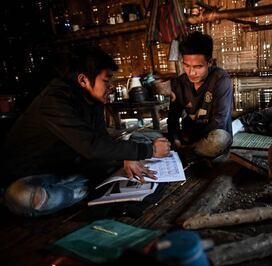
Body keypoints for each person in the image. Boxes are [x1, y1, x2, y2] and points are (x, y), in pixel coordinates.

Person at [0, 46, 171, 217]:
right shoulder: (54, 101)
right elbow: (92, 146)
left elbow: (101, 139)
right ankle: (84, 190)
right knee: (19, 196)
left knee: (142, 139)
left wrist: (126, 156)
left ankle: (84, 188)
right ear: (83, 80)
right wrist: (150, 150)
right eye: (106, 80)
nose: (110, 86)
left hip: (67, 170)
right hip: (32, 176)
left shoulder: (91, 100)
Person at [167, 32, 233, 161]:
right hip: (188, 136)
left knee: (219, 140)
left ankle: (188, 154)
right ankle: (193, 155)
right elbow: (173, 119)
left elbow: (219, 120)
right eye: (186, 65)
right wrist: (176, 140)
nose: (191, 72)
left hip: (210, 137)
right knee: (151, 138)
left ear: (210, 62)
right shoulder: (179, 83)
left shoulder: (221, 80)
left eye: (198, 67)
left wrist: (190, 144)